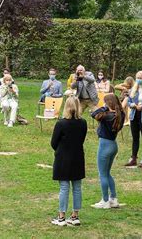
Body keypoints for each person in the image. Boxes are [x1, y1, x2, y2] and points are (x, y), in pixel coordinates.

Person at [50, 96, 87, 226]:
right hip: (77, 156)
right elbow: (81, 139)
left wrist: (61, 149)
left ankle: (61, 217)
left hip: (63, 158)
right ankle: (75, 216)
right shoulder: (83, 122)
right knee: (77, 187)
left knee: (64, 187)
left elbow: (53, 142)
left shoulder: (61, 123)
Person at [91, 94, 125, 209]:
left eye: (105, 102)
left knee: (102, 174)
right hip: (113, 144)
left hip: (104, 145)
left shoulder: (107, 115)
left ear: (108, 103)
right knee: (107, 173)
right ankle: (113, 199)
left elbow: (93, 114)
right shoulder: (120, 114)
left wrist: (104, 108)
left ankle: (105, 201)